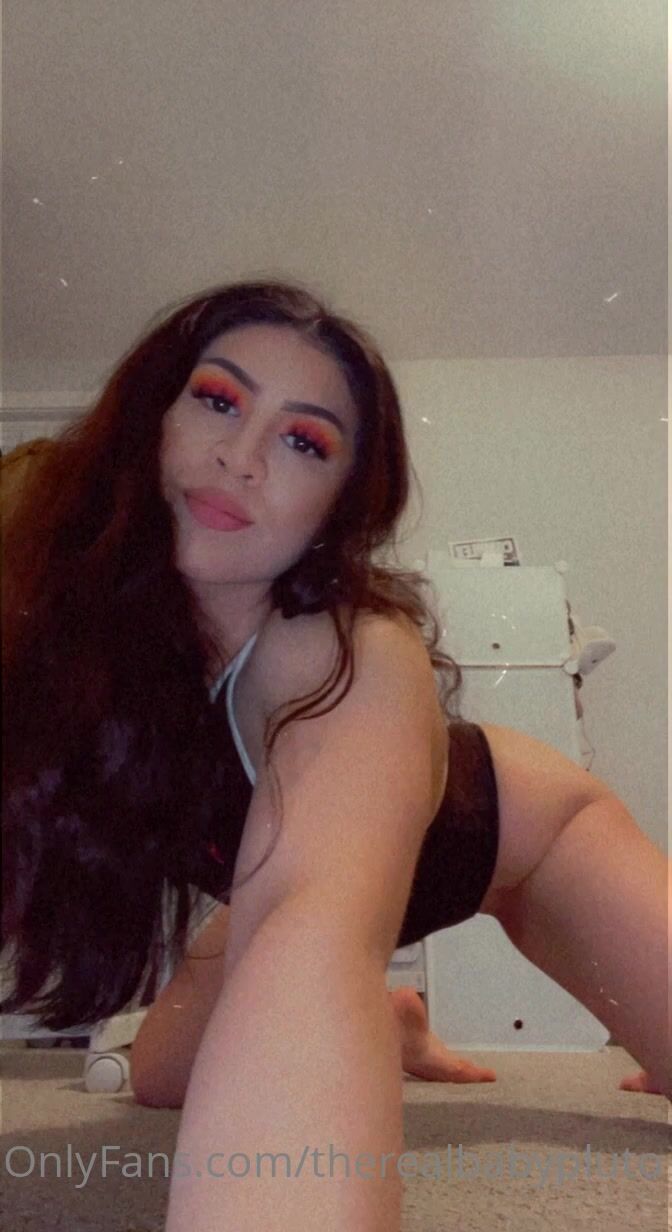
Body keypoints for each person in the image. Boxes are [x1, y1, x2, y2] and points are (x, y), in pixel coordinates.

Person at [2, 280, 669, 1231]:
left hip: (522, 846)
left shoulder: (348, 653)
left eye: (303, 442)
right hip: (266, 891)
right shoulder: (95, 650)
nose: (239, 457)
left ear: (338, 508)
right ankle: (396, 1023)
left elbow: (311, 930)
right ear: (153, 419)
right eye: (218, 400)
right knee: (159, 1077)